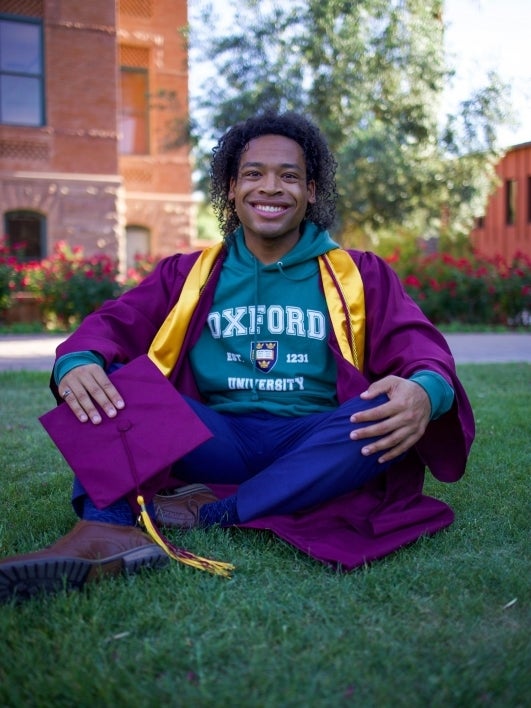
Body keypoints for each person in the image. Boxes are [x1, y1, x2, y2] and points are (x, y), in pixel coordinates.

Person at [0, 111, 475, 603]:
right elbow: (111, 325)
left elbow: (421, 348)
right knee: (110, 381)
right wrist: (78, 360)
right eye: (254, 174)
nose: (270, 187)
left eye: (289, 176)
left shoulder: (359, 273)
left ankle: (214, 513)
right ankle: (108, 530)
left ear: (312, 191)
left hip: (312, 438)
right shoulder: (188, 273)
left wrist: (425, 389)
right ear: (231, 187)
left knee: (379, 417)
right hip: (215, 437)